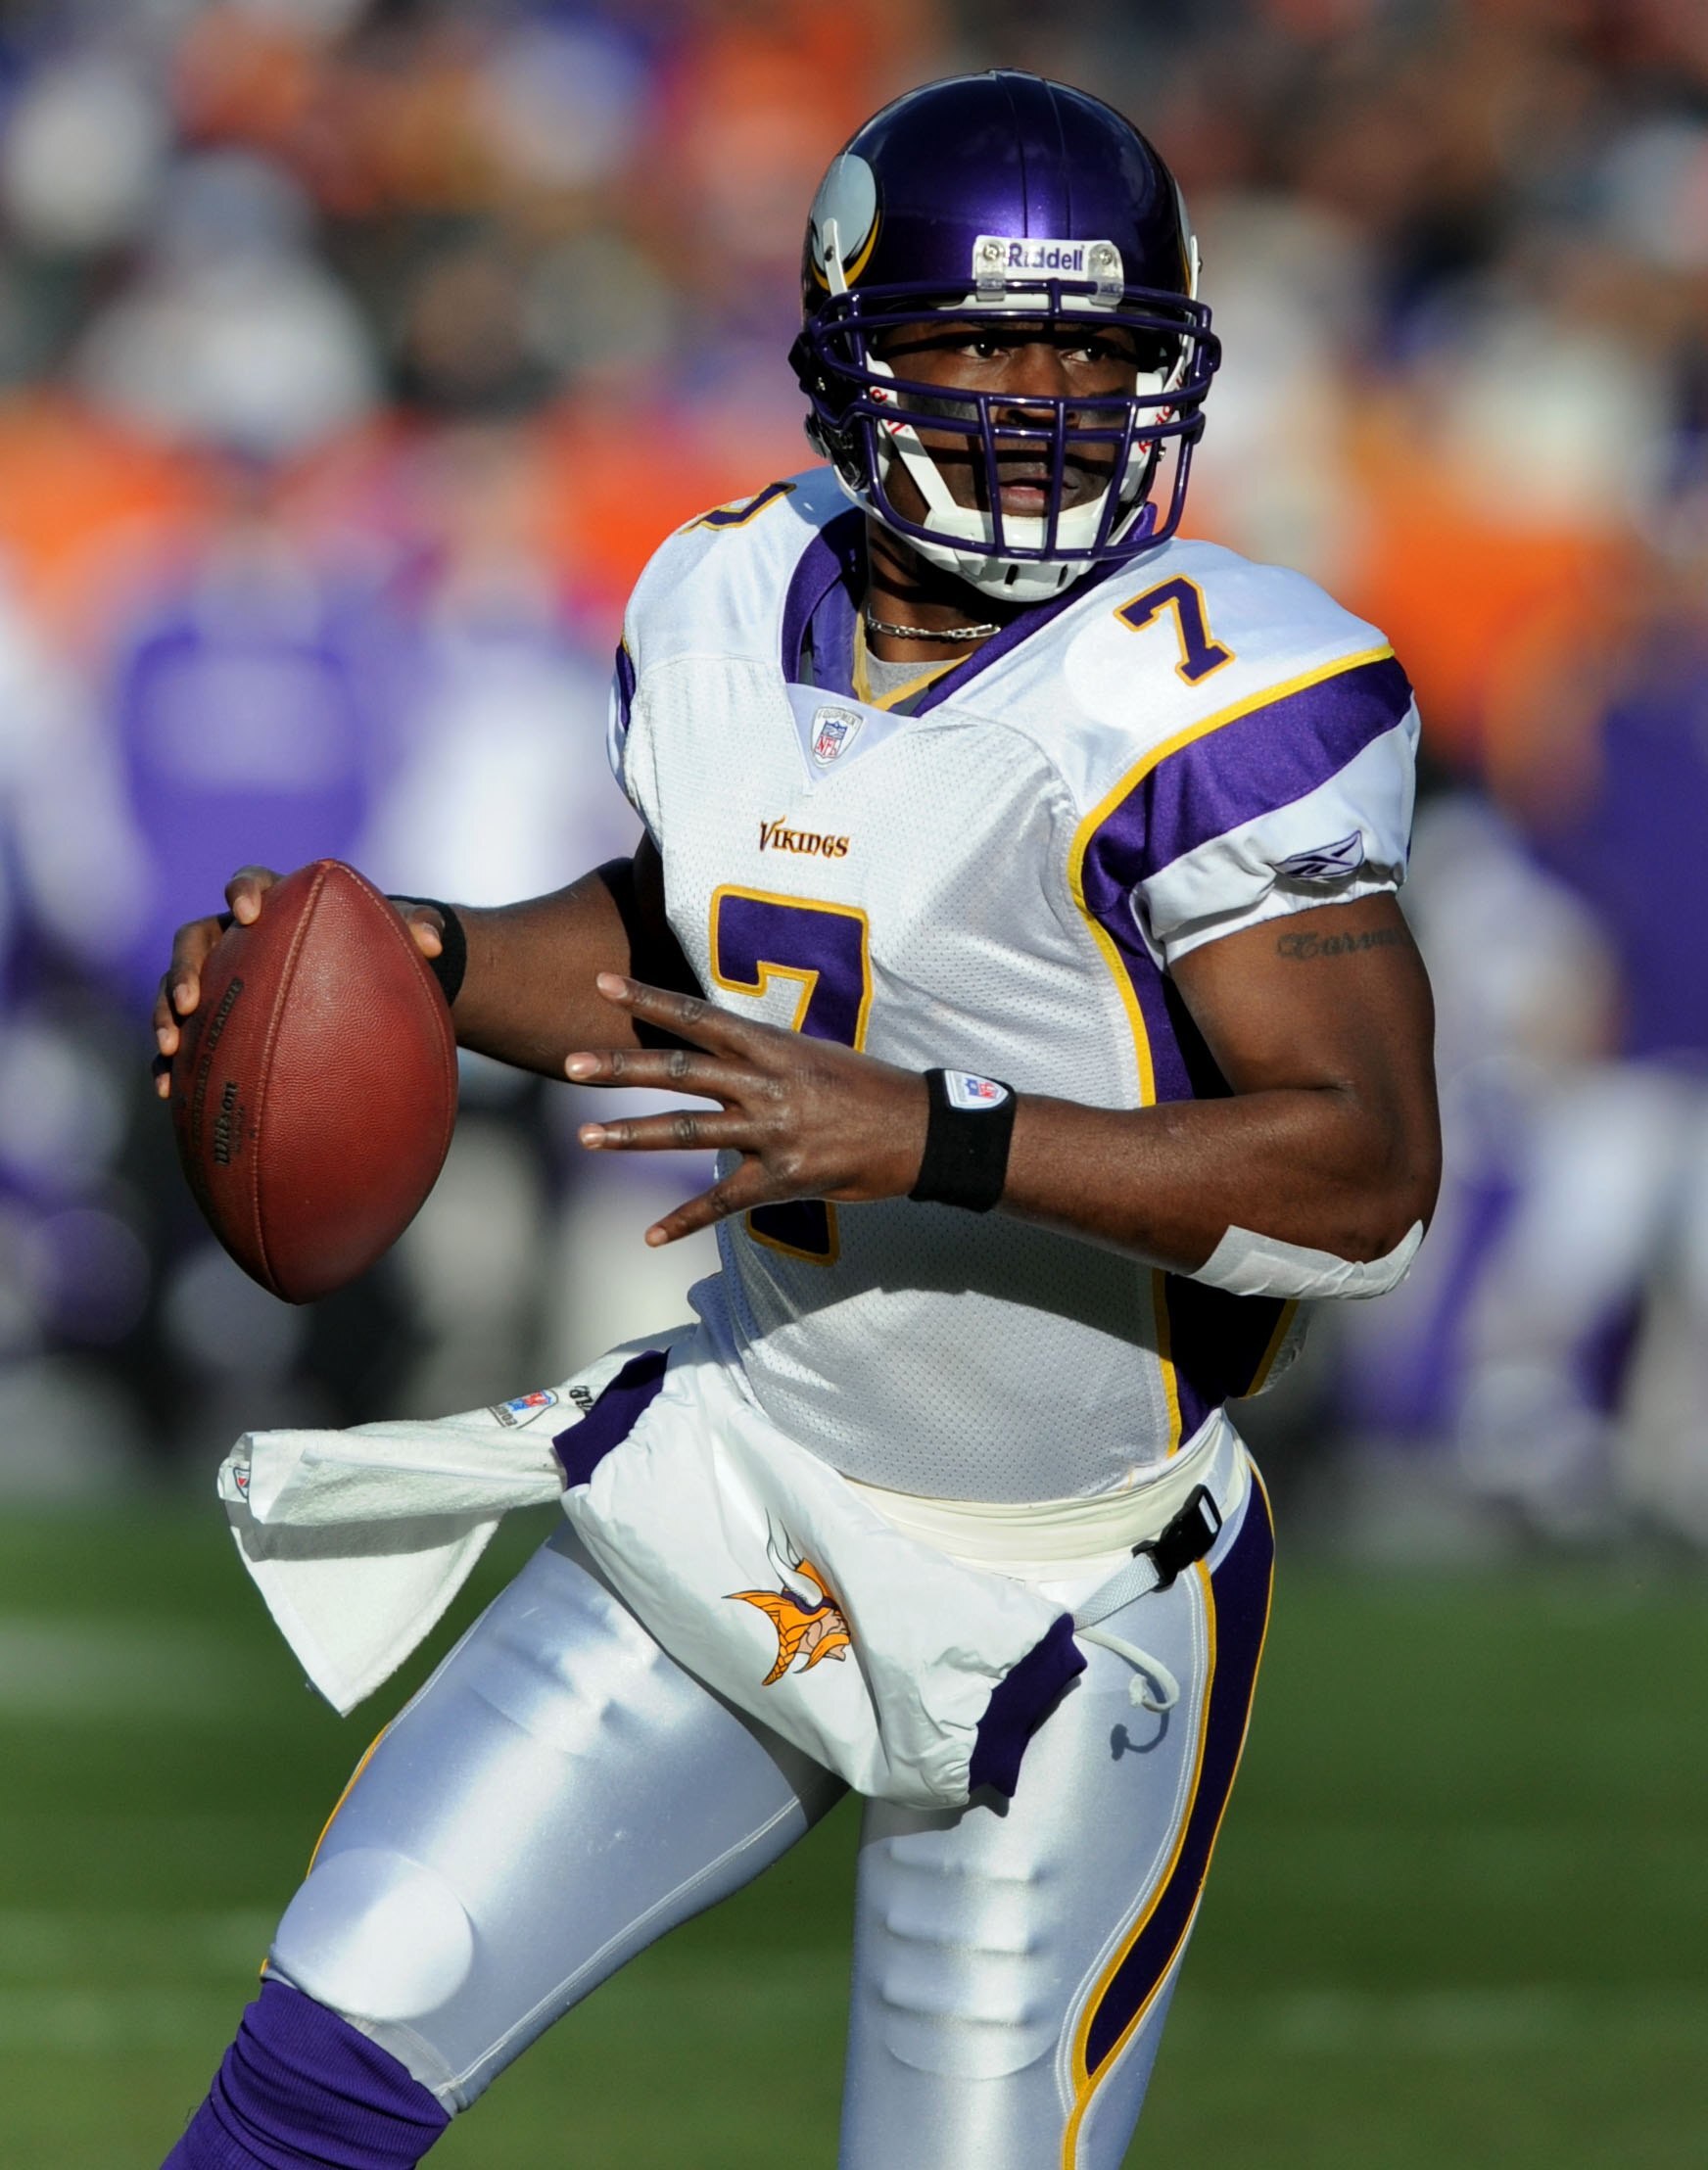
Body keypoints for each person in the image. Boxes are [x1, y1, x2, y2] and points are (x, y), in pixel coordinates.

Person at [153, 71, 1439, 2170]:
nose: (1038, 398)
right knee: (346, 2006)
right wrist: (408, 955)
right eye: (973, 340)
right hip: (744, 1489)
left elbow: (1363, 1175)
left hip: (1065, 1584)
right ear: (849, 348)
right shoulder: (725, 594)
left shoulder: (1211, 691)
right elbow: (704, 938)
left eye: (1090, 347)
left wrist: (929, 1134)